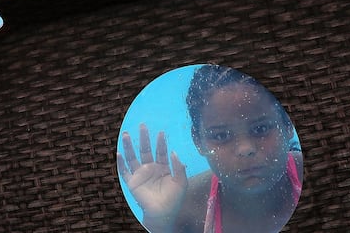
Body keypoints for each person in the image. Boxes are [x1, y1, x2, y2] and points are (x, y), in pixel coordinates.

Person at [117, 65, 303, 233]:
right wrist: (158, 221)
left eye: (260, 129)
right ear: (198, 141)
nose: (246, 149)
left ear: (288, 125)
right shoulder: (185, 209)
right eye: (221, 136)